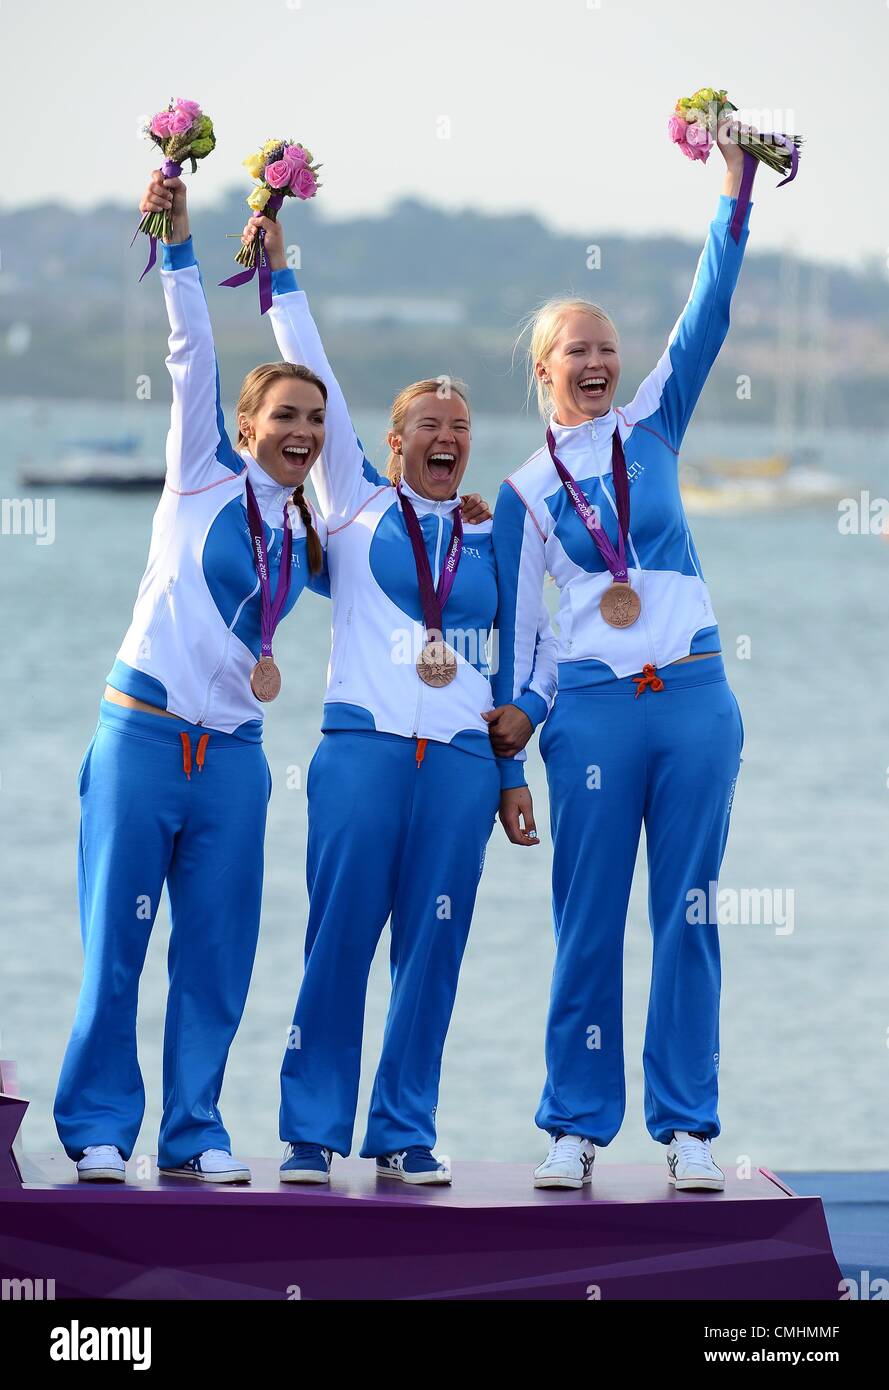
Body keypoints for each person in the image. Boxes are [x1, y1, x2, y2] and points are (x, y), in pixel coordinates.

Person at [240, 213, 556, 1184]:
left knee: (433, 953)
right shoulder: (352, 503)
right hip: (362, 754)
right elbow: (315, 369)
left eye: (460, 430)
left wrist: (517, 753)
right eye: (430, 427)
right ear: (389, 442)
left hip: (461, 767)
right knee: (337, 941)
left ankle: (404, 1131)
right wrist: (280, 273)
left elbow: (530, 652)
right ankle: (307, 1134)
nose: (448, 439)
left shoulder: (494, 528)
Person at [490, 124, 752, 1191]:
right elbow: (514, 647)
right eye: (577, 353)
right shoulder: (520, 494)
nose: (597, 363)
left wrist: (736, 191)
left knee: (686, 913)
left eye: (606, 348)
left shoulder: (655, 420)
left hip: (692, 699)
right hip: (591, 715)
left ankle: (688, 1127)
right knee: (587, 923)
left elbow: (708, 312)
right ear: (546, 372)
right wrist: (508, 769)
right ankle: (574, 1127)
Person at [53, 171, 329, 1184]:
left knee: (215, 956)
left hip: (237, 764)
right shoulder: (201, 475)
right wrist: (177, 244)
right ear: (247, 426)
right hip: (141, 741)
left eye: (313, 419)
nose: (302, 431)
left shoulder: (310, 526)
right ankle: (95, 1127)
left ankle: (194, 1130)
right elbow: (190, 355)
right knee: (114, 949)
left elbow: (405, 570)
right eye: (284, 416)